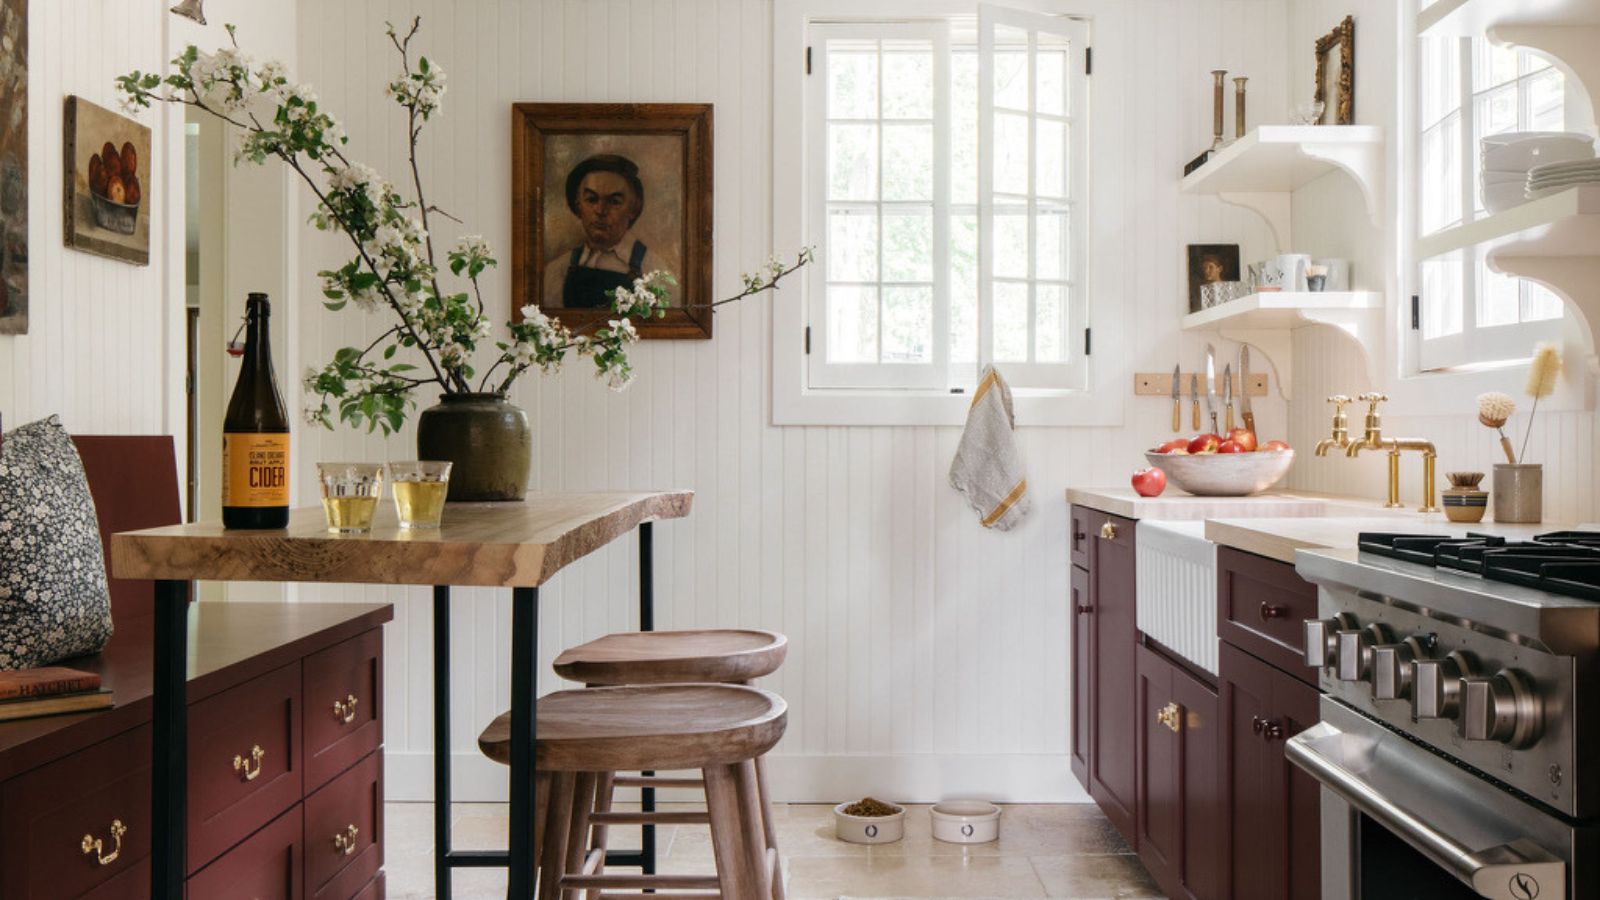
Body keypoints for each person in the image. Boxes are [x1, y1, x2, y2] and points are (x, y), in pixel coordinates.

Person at [542, 154, 674, 309]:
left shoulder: (654, 270)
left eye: (614, 202)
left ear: (634, 208)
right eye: (591, 199)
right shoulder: (557, 271)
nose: (600, 211)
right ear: (578, 205)